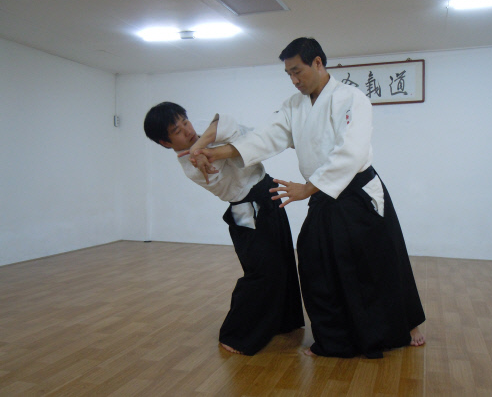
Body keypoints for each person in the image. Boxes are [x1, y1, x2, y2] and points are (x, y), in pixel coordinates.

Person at [191, 38, 426, 358]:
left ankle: (405, 325)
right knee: (316, 264)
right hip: (323, 195)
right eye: (288, 74)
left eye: (297, 71)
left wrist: (307, 188)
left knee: (377, 262)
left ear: (317, 63)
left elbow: (352, 152)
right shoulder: (294, 106)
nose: (293, 80)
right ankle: (335, 339)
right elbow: (265, 139)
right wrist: (215, 153)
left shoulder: (351, 98)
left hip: (357, 193)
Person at [143, 102, 304, 355]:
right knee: (261, 271)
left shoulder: (200, 139)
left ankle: (283, 321)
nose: (187, 130)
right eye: (177, 131)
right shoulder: (192, 167)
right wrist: (201, 152)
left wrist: (198, 146)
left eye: (185, 122)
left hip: (267, 191)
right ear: (165, 142)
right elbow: (232, 155)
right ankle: (236, 334)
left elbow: (226, 121)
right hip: (247, 208)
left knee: (282, 260)